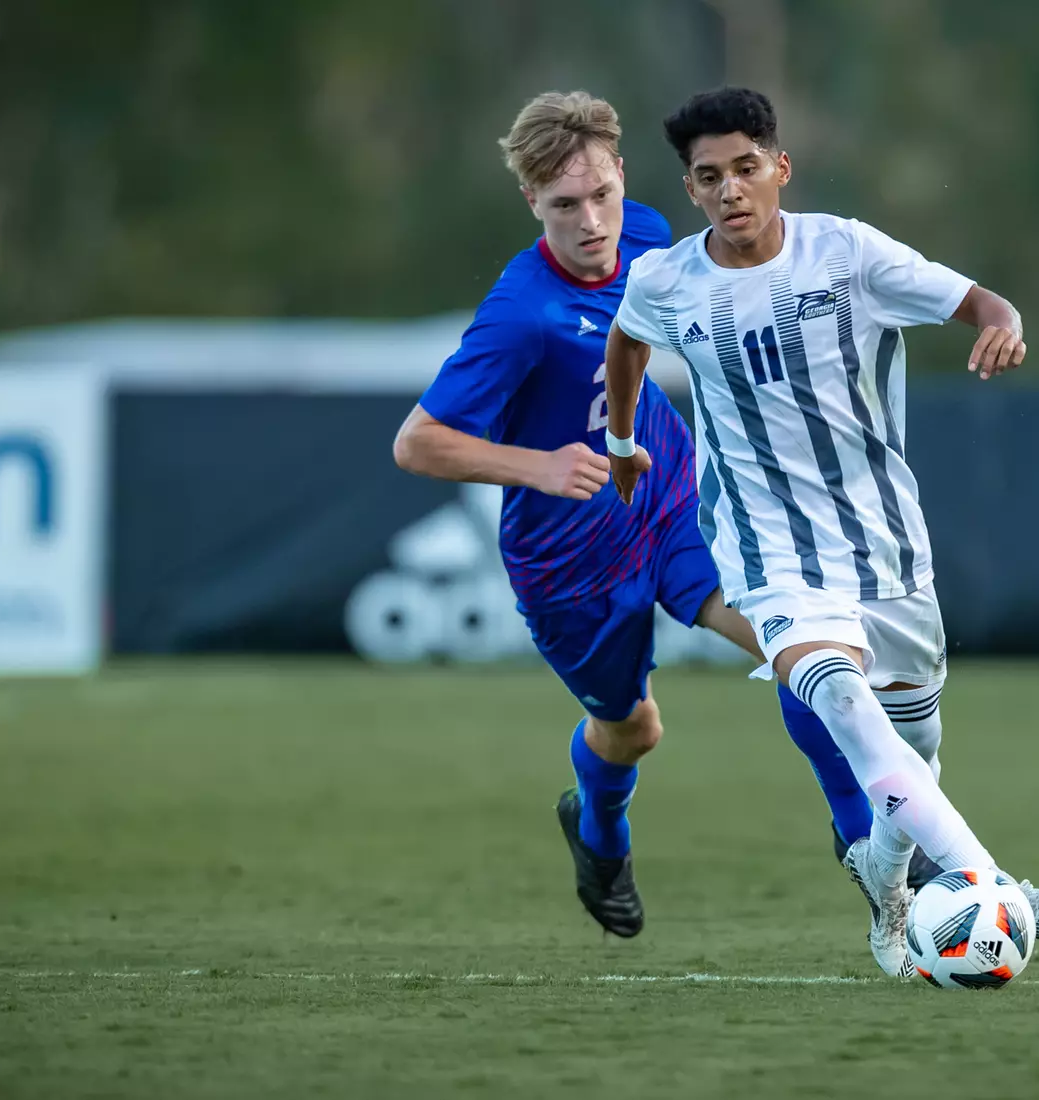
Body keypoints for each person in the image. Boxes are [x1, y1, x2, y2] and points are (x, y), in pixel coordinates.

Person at [392, 91, 941, 941]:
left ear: (623, 177)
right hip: (570, 561)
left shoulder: (655, 238)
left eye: (602, 195)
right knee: (632, 728)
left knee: (803, 649)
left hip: (678, 505)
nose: (592, 220)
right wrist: (540, 465)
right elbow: (418, 443)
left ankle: (869, 843)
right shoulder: (521, 316)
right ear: (531, 205)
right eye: (564, 206)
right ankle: (599, 833)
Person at [601, 86, 1039, 977]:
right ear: (691, 189)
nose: (731, 189)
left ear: (780, 168)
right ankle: (990, 884)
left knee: (914, 749)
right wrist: (622, 440)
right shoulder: (667, 279)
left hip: (885, 544)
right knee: (842, 703)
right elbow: (627, 344)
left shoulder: (848, 253)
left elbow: (978, 302)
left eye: (747, 168)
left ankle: (885, 874)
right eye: (709, 177)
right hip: (767, 549)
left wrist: (1004, 322)